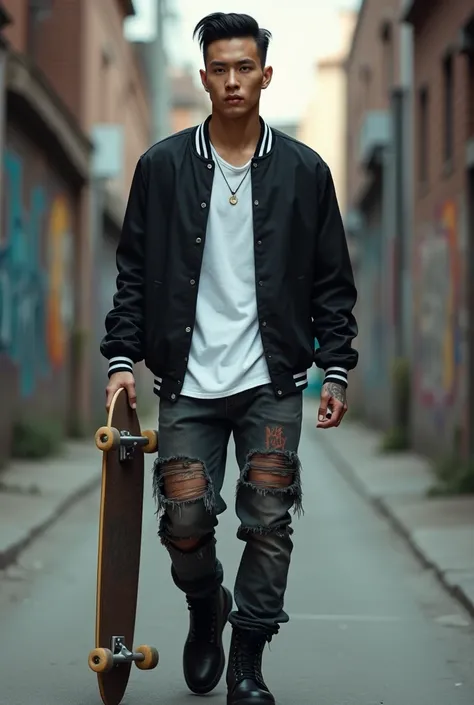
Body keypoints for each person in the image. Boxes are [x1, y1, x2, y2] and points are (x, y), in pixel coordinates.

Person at [101, 11, 358, 705]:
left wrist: (335, 366)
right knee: (184, 520)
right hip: (187, 379)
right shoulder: (162, 167)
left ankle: (247, 655)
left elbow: (332, 279)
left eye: (246, 67)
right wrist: (122, 359)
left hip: (272, 379)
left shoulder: (305, 171)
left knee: (269, 520)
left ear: (266, 75)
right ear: (204, 76)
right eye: (221, 68)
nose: (234, 79)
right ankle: (205, 601)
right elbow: (135, 274)